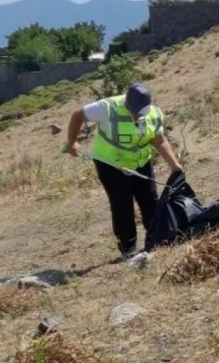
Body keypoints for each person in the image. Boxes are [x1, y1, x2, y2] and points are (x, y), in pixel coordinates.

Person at [63, 83, 184, 259]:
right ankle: (128, 248)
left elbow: (159, 140)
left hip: (140, 162)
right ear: (126, 104)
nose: (137, 116)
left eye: (140, 112)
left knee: (150, 200)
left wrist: (175, 165)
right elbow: (78, 114)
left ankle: (156, 240)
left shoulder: (154, 114)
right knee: (122, 205)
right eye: (134, 111)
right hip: (110, 163)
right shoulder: (107, 108)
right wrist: (72, 141)